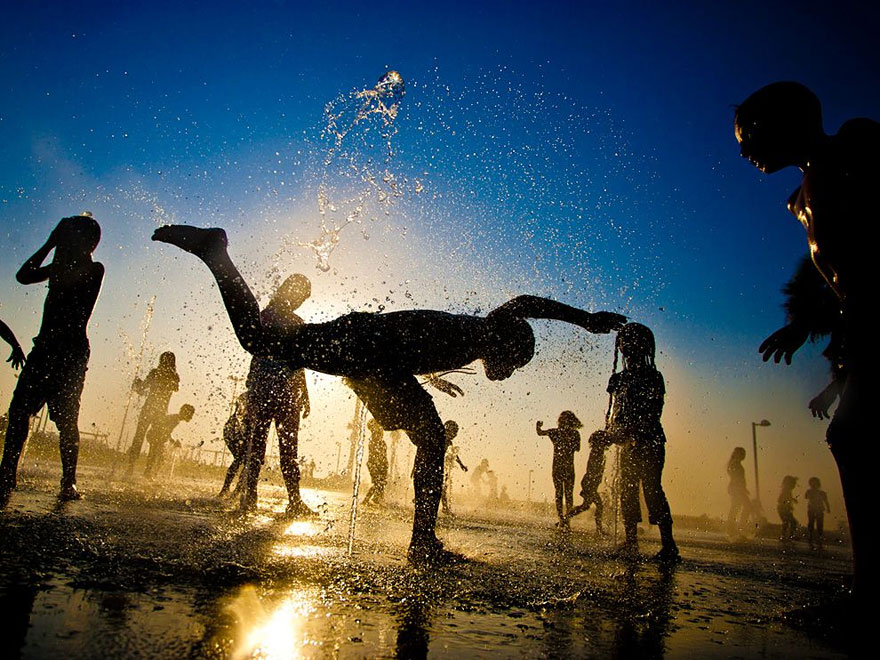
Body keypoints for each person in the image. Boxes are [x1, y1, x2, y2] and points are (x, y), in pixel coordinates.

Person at [151, 224, 625, 562]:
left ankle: (423, 540)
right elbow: (526, 303)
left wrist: (428, 381)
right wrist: (585, 321)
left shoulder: (472, 337)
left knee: (431, 437)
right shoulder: (490, 329)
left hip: (377, 357)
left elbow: (419, 340)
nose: (508, 372)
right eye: (516, 362)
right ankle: (216, 254)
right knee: (259, 339)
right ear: (511, 345)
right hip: (365, 348)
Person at [735, 81, 879, 597]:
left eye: (748, 134)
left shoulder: (856, 145)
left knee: (853, 436)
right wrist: (806, 324)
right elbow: (839, 278)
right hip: (863, 324)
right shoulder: (802, 200)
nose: (744, 148)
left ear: (788, 121)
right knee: (853, 436)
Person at [0, 215, 104, 504]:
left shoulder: (94, 268)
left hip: (69, 353)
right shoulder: (60, 267)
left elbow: (37, 274)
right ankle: (7, 473)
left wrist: (55, 242)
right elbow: (22, 276)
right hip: (44, 348)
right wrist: (50, 242)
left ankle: (68, 480)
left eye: (68, 235)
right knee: (19, 411)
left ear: (85, 241)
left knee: (66, 419)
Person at [237, 274, 313, 517]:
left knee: (286, 451)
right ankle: (251, 497)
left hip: (286, 394)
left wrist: (306, 394)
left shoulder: (295, 321)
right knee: (258, 447)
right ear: (288, 290)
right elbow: (257, 352)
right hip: (266, 391)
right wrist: (251, 389)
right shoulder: (267, 316)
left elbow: (298, 362)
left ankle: (293, 500)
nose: (300, 299)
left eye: (303, 296)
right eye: (299, 293)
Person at [606, 322, 679, 561]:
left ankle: (668, 545)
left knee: (652, 489)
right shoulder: (619, 379)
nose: (628, 346)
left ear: (645, 347)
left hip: (650, 441)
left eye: (633, 342)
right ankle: (631, 539)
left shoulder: (653, 376)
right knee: (626, 489)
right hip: (628, 444)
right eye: (624, 342)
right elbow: (613, 416)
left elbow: (653, 413)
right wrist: (608, 434)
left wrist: (625, 432)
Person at [126, 352, 179, 476]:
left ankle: (130, 468)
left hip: (148, 410)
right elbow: (176, 388)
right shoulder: (174, 376)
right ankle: (148, 471)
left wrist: (136, 384)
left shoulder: (155, 373)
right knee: (156, 441)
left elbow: (142, 389)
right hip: (161, 413)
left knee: (139, 437)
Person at [536, 411, 582, 526]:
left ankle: (564, 519)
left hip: (560, 467)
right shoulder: (571, 433)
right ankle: (564, 519)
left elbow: (540, 432)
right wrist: (538, 427)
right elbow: (578, 448)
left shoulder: (557, 433)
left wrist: (538, 427)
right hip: (565, 468)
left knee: (563, 494)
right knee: (565, 494)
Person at [564, 429, 611, 534]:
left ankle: (564, 519)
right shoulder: (597, 452)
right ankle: (599, 530)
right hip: (589, 483)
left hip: (590, 483)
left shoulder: (598, 451)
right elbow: (593, 469)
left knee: (585, 506)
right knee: (598, 505)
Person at [143, 404, 195, 479]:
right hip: (154, 435)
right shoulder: (175, 419)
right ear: (185, 413)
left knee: (157, 456)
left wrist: (172, 441)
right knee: (156, 456)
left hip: (156, 435)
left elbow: (166, 431)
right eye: (190, 415)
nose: (191, 417)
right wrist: (173, 441)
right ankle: (149, 474)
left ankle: (150, 474)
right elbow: (165, 430)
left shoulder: (176, 418)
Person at [219, 392, 249, 497]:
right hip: (234, 430)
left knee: (243, 461)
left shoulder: (245, 396)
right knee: (243, 460)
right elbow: (239, 416)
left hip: (232, 429)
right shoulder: (247, 397)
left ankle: (231, 490)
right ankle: (232, 490)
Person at [440, 420, 468, 516]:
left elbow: (453, 455)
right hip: (435, 464)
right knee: (438, 486)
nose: (455, 435)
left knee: (443, 486)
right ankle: (444, 507)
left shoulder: (449, 442)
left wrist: (461, 465)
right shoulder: (439, 437)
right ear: (447, 430)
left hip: (442, 466)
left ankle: (445, 507)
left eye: (456, 433)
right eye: (454, 432)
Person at [726, 447, 752, 538]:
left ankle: (734, 529)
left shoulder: (735, 464)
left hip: (737, 488)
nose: (744, 455)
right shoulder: (735, 464)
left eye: (744, 454)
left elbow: (739, 478)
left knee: (737, 507)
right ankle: (738, 529)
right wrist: (742, 488)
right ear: (737, 454)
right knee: (743, 507)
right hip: (736, 489)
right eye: (742, 453)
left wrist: (744, 488)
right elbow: (736, 478)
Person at [362, 418, 389, 506]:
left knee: (381, 483)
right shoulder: (373, 442)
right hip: (374, 464)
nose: (381, 433)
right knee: (378, 483)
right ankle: (366, 500)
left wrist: (385, 465)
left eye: (381, 432)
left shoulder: (382, 443)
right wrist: (375, 465)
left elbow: (384, 455)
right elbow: (374, 455)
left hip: (381, 464)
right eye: (378, 432)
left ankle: (377, 499)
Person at [805, 476, 831, 550]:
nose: (813, 484)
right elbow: (806, 497)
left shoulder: (821, 493)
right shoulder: (811, 491)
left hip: (818, 510)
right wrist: (828, 508)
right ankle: (811, 540)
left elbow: (826, 501)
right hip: (812, 510)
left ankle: (818, 541)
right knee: (812, 525)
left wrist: (828, 508)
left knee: (819, 526)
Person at [777, 475, 799, 543]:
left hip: (784, 509)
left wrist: (792, 500)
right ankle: (787, 536)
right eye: (793, 484)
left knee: (789, 522)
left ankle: (786, 536)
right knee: (790, 522)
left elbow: (784, 499)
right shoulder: (785, 491)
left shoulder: (787, 491)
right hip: (783, 509)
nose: (794, 486)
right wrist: (787, 504)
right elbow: (780, 500)